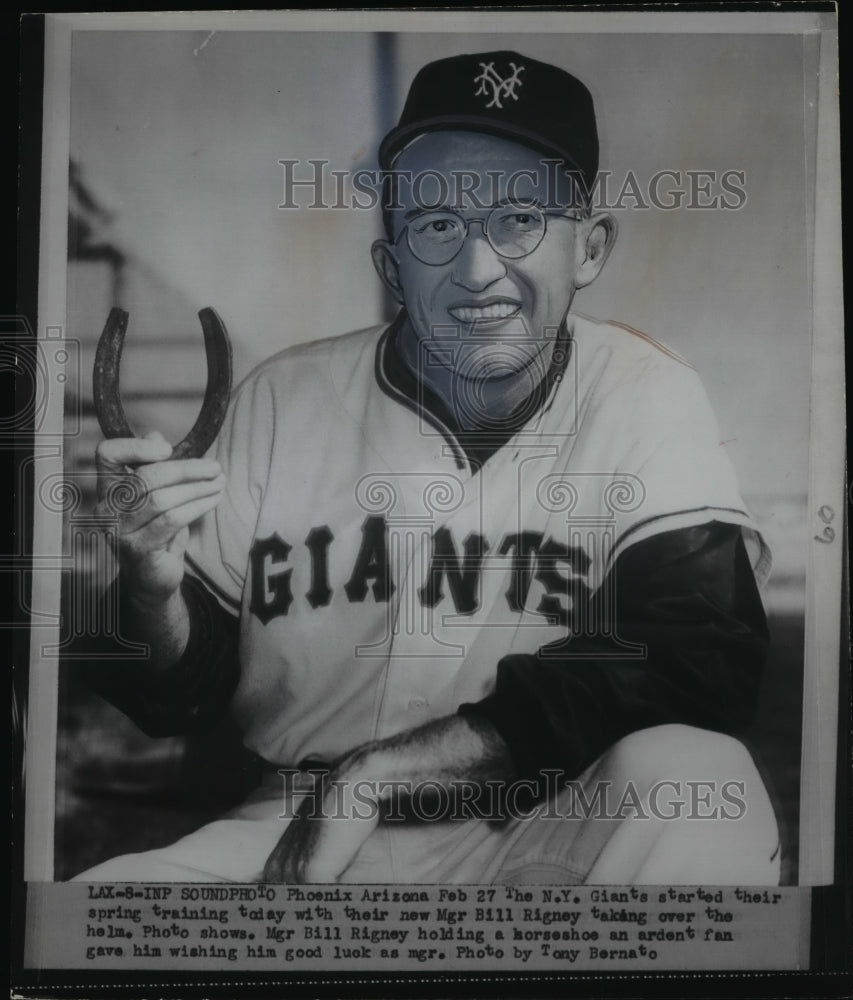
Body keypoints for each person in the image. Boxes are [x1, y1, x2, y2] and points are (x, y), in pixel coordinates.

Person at [77, 51, 780, 885]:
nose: (478, 271)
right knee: (104, 913)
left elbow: (701, 654)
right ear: (392, 265)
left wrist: (377, 774)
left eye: (520, 219)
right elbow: (178, 696)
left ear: (588, 249)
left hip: (543, 826)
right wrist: (154, 589)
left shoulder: (643, 393)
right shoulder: (282, 399)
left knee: (700, 782)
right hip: (294, 827)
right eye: (437, 226)